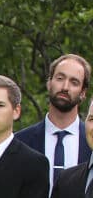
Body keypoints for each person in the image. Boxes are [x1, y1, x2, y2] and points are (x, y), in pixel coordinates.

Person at [16, 54, 92, 186]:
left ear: (83, 93)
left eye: (74, 82)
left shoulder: (90, 142)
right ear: (49, 83)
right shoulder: (20, 142)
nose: (65, 87)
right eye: (60, 78)